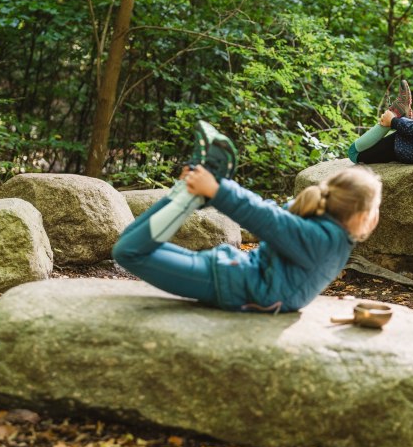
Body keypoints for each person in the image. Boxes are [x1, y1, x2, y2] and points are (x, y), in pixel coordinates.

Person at [113, 121, 382, 313]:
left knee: (129, 249)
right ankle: (188, 193)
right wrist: (217, 190)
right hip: (233, 280)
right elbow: (266, 217)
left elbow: (270, 218)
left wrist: (216, 190)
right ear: (361, 216)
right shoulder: (326, 238)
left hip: (231, 278)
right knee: (129, 248)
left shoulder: (322, 238)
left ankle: (184, 194)